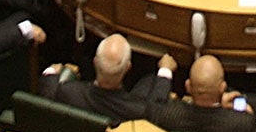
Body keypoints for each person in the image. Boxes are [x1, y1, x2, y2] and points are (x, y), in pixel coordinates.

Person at [151, 53, 256, 132]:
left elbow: (154, 105)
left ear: (187, 86)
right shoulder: (243, 122)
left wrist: (165, 70)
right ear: (223, 87)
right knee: (254, 102)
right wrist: (252, 116)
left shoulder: (167, 114)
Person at [43, 32, 177, 122]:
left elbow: (47, 97)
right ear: (128, 68)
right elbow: (157, 107)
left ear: (95, 61)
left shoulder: (68, 92)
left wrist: (50, 71)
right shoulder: (139, 110)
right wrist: (165, 70)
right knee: (151, 79)